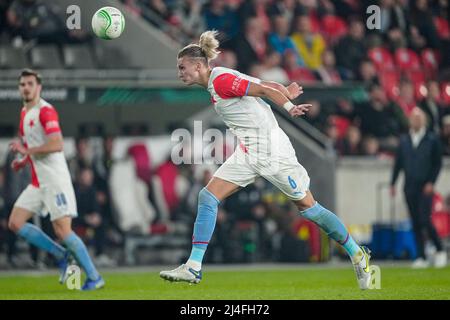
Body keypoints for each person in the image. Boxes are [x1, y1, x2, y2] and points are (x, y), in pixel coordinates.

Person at [160, 30, 372, 290]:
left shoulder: (221, 80)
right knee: (207, 196)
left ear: (198, 65)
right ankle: (193, 266)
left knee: (310, 208)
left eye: (182, 67)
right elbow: (263, 85)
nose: (180, 72)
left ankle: (357, 254)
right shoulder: (220, 79)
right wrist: (285, 92)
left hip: (272, 152)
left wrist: (288, 107)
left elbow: (261, 89)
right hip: (249, 151)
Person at [7, 69, 104, 290]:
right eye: (22, 84)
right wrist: (24, 160)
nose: (26, 87)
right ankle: (60, 255)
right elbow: (35, 148)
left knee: (63, 231)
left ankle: (94, 276)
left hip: (55, 180)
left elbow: (56, 144)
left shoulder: (46, 111)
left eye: (30, 83)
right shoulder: (24, 113)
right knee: (15, 222)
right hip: (38, 181)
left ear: (38, 87)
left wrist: (27, 150)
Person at [390, 107, 446, 269]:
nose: (416, 121)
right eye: (413, 118)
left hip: (425, 186)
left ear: (424, 121)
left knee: (424, 219)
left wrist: (431, 182)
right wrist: (393, 183)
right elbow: (398, 164)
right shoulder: (405, 140)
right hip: (409, 186)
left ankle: (440, 249)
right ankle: (421, 255)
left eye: (419, 118)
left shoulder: (432, 139)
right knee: (415, 222)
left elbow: (437, 164)